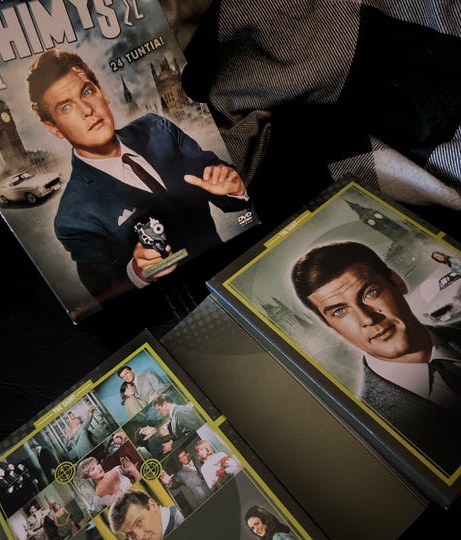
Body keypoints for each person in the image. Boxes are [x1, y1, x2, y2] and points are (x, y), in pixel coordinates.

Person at [26, 48, 252, 302]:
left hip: (235, 266)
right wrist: (136, 273)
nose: (87, 110)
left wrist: (235, 189)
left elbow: (223, 183)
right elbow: (104, 293)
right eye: (66, 107)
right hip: (179, 302)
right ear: (54, 129)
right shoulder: (73, 217)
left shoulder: (157, 128)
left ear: (102, 93)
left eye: (87, 92)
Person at [291, 240, 461, 474]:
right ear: (330, 326)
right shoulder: (373, 429)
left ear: (397, 282)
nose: (367, 319)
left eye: (370, 293)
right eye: (339, 311)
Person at [108, 490, 184, 540]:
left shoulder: (182, 519)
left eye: (139, 522)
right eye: (130, 535)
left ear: (153, 505)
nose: (140, 537)